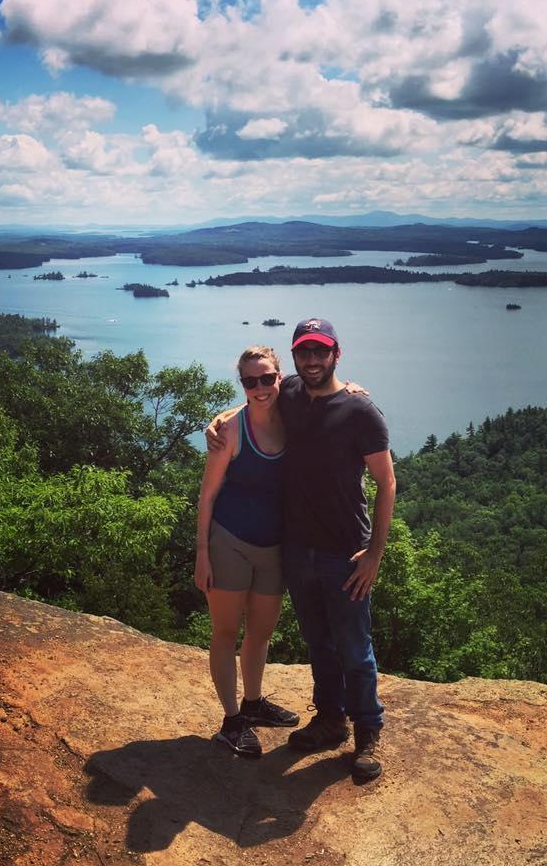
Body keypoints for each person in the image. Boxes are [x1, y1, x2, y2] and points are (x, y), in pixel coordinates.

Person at [210, 319, 395, 783]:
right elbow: (258, 393)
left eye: (321, 352)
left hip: (345, 553)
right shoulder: (289, 392)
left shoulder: (361, 411)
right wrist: (220, 420)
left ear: (337, 353)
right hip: (296, 551)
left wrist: (374, 554)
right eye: (304, 353)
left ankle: (367, 731)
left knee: (355, 647)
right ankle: (331, 719)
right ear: (294, 358)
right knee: (320, 644)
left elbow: (387, 483)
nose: (312, 361)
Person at [195, 345, 300, 758]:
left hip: (274, 548)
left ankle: (254, 705)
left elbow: (332, 395)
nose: (259, 387)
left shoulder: (295, 418)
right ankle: (231, 720)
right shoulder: (231, 430)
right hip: (229, 543)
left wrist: (357, 391)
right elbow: (207, 497)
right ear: (242, 384)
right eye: (249, 381)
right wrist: (202, 553)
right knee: (225, 632)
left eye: (266, 378)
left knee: (261, 633)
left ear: (280, 377)